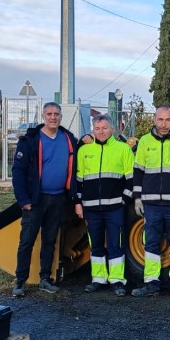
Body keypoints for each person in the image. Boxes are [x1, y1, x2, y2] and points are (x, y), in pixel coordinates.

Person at [11, 102, 77, 297]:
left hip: (58, 199)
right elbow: (18, 172)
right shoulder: (30, 140)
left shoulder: (68, 139)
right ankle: (20, 281)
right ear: (43, 116)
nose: (53, 117)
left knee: (50, 241)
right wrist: (23, 199)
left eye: (56, 114)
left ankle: (45, 279)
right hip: (35, 200)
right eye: (49, 114)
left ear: (61, 117)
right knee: (27, 242)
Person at [131, 105, 170, 299]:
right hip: (152, 205)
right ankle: (151, 284)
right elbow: (138, 171)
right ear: (154, 120)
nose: (164, 124)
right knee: (151, 245)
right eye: (160, 120)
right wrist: (137, 198)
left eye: (168, 120)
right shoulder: (145, 142)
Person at [75, 114, 135, 296]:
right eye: (97, 129)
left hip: (115, 207)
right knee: (96, 244)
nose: (101, 132)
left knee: (116, 244)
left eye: (105, 128)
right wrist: (78, 203)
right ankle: (98, 279)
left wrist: (123, 200)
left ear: (112, 129)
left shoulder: (123, 149)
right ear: (93, 130)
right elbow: (78, 180)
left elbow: (131, 179)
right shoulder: (84, 151)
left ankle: (117, 280)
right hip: (91, 208)